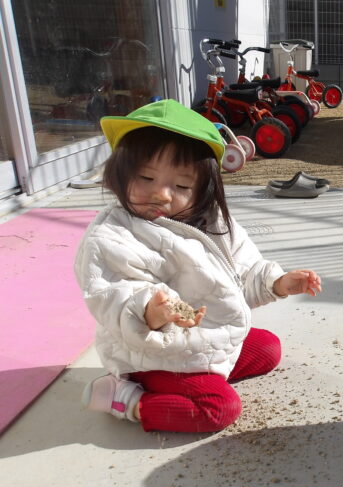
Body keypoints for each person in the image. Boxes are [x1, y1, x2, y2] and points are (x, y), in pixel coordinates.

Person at [75, 99, 322, 433]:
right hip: (151, 353)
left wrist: (277, 282)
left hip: (196, 340)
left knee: (268, 348)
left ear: (204, 188)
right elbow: (112, 295)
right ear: (120, 174)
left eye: (181, 186)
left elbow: (242, 270)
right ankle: (127, 400)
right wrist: (152, 312)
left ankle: (203, 374)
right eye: (146, 177)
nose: (162, 194)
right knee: (219, 408)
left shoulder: (212, 222)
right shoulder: (112, 236)